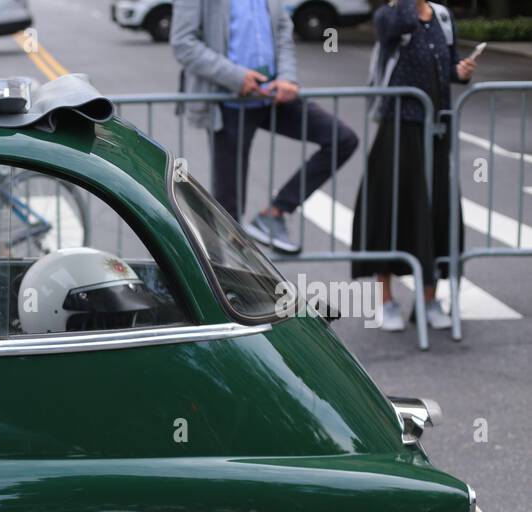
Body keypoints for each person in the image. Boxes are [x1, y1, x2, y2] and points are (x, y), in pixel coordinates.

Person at [171, 0, 359, 254]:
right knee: (228, 210)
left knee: (341, 139)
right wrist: (236, 77)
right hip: (228, 103)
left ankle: (275, 213)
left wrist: (287, 78)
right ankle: (223, 285)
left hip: (273, 96)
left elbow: (282, 30)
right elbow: (184, 43)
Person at [352, 0, 475, 332]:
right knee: (390, 212)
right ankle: (387, 301)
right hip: (397, 128)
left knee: (436, 211)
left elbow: (448, 65)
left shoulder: (443, 16)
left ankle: (430, 299)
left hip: (435, 130)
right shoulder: (391, 14)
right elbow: (392, 29)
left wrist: (459, 72)